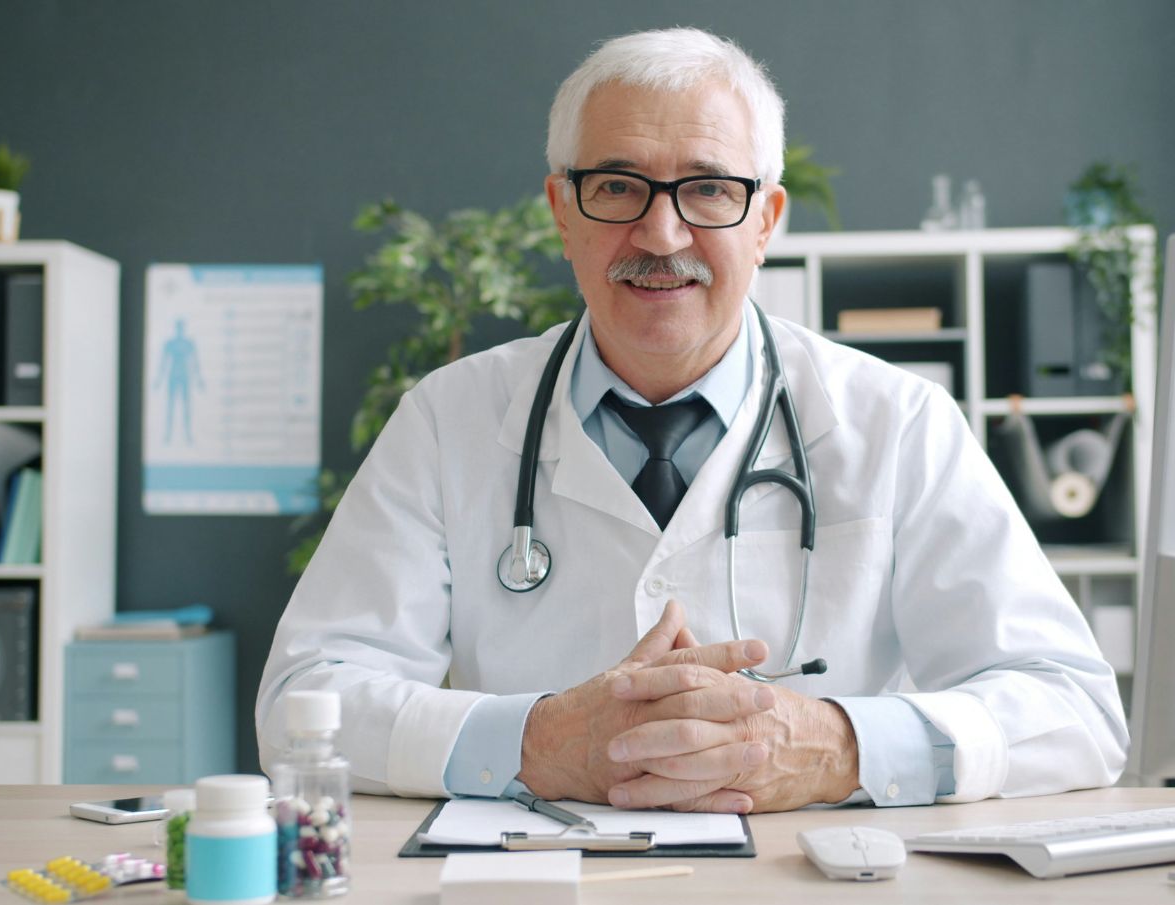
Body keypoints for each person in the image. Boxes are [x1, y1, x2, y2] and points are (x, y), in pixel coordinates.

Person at [257, 27, 1127, 815]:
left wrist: (832, 746)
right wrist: (541, 742)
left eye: (710, 190)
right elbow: (307, 698)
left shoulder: (898, 423)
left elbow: (1074, 710)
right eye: (617, 186)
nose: (662, 232)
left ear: (765, 221)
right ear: (563, 211)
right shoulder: (448, 419)